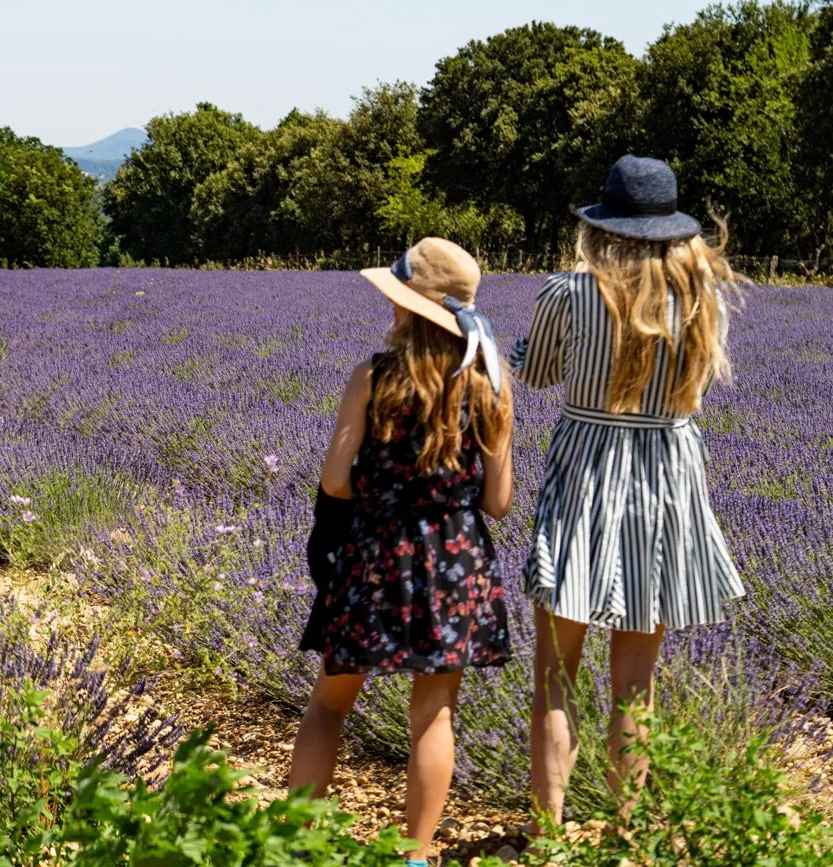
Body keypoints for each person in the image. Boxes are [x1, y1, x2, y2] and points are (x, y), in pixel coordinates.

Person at [509, 155, 744, 831]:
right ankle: (626, 828)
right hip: (666, 477)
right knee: (635, 683)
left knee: (555, 674)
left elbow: (542, 373)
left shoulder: (568, 292)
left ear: (602, 227)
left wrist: (510, 352)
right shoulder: (702, 300)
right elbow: (693, 391)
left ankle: (547, 832)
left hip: (586, 472)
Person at [290, 238, 515, 867]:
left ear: (406, 310)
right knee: (434, 714)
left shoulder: (373, 377)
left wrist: (382, 485)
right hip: (456, 559)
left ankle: (295, 843)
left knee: (330, 704)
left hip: (377, 556)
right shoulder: (490, 385)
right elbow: (498, 501)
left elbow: (336, 481)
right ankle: (415, 858)